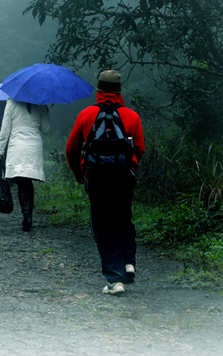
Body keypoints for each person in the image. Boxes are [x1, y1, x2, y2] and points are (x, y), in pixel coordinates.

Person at [65, 70, 145, 296]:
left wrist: (79, 174)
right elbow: (139, 149)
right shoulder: (132, 116)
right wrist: (130, 169)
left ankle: (115, 280)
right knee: (124, 219)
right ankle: (129, 263)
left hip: (97, 178)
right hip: (123, 177)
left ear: (98, 90)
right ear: (119, 91)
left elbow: (71, 150)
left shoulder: (86, 114)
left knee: (103, 225)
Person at [0, 98, 50, 232]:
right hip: (34, 146)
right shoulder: (40, 103)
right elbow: (45, 129)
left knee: (22, 182)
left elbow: (5, 128)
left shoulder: (11, 102)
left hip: (17, 146)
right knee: (27, 181)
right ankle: (28, 214)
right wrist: (46, 112)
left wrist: (0, 149)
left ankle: (27, 215)